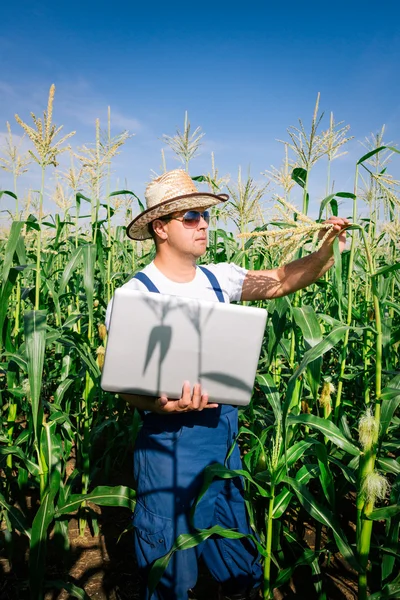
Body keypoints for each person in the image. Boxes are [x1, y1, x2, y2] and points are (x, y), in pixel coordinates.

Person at [106, 169, 348, 600]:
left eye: (205, 216)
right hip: (168, 442)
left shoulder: (221, 279)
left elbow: (282, 279)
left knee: (236, 550)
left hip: (223, 436)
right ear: (160, 228)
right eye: (191, 216)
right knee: (170, 567)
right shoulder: (134, 295)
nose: (204, 224)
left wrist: (325, 247)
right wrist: (161, 406)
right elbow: (123, 385)